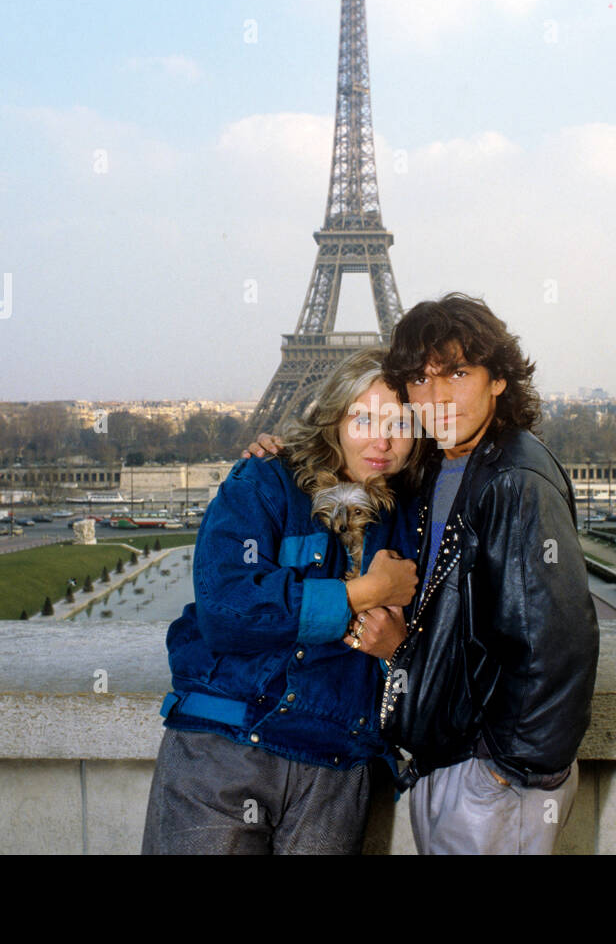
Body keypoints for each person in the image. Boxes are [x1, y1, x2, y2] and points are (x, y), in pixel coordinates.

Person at [249, 293, 600, 855]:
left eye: (457, 373)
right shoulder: (439, 465)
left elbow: (557, 647)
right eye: (419, 379)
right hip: (447, 756)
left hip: (491, 776)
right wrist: (287, 455)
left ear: (498, 380)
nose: (436, 396)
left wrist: (508, 771)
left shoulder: (516, 482)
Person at [141, 348, 422, 855]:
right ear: (334, 418)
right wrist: (367, 592)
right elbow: (228, 613)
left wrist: (399, 648)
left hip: (333, 762)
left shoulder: (413, 514)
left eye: (400, 423)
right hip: (229, 746)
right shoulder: (264, 479)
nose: (382, 440)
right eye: (365, 418)